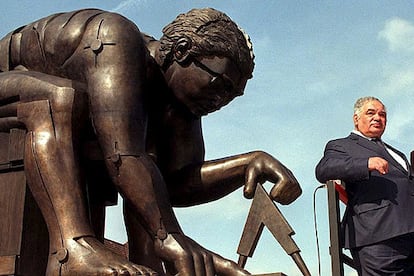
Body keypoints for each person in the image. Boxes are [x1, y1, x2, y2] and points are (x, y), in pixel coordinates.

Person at [0, 8, 302, 275]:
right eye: (219, 83)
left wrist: (247, 164)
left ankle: (147, 263)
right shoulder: (116, 39)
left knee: (147, 169)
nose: (220, 100)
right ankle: (71, 250)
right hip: (8, 79)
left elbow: (173, 184)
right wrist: (170, 237)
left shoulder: (183, 103)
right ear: (182, 51)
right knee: (60, 100)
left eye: (231, 95)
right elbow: (123, 155)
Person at [315, 96, 414, 275]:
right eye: (371, 113)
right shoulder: (341, 145)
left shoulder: (397, 153)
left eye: (382, 114)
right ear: (356, 119)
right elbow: (324, 169)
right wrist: (365, 164)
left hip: (410, 234)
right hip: (378, 235)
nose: (378, 117)